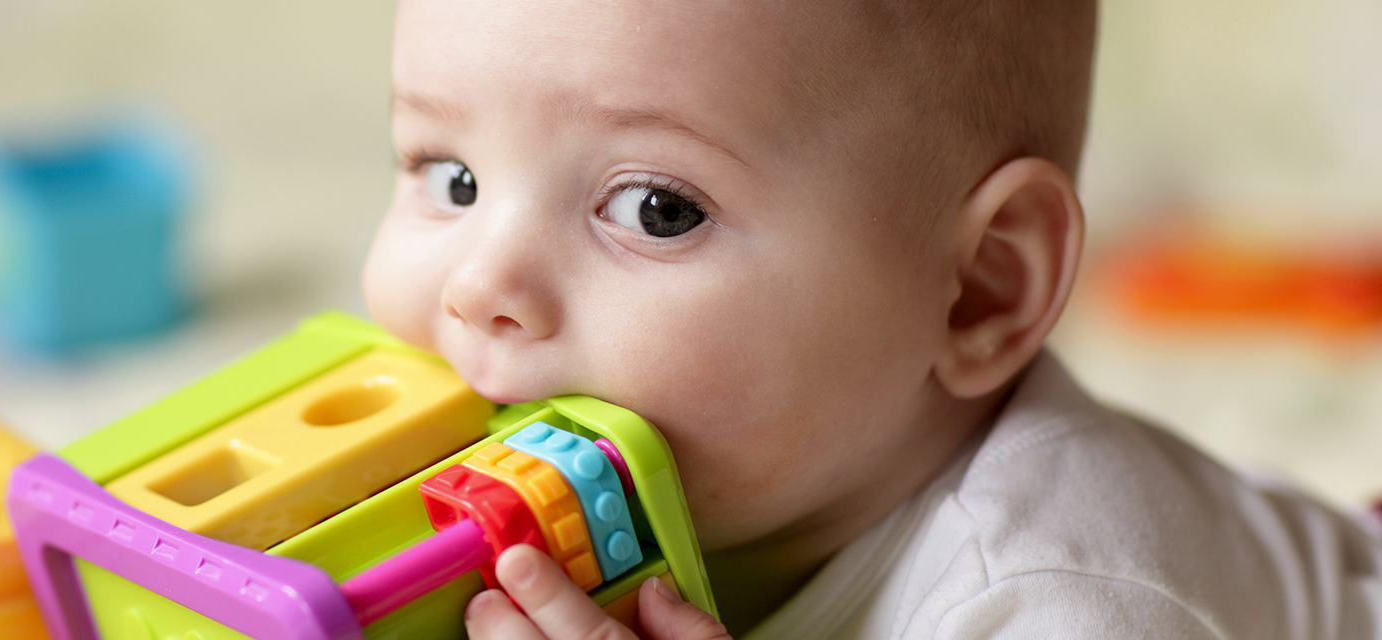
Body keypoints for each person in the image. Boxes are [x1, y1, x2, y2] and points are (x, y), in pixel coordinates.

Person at [358, 0, 1382, 638]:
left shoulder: (1059, 595)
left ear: (981, 287)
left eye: (658, 209)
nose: (477, 284)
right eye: (451, 178)